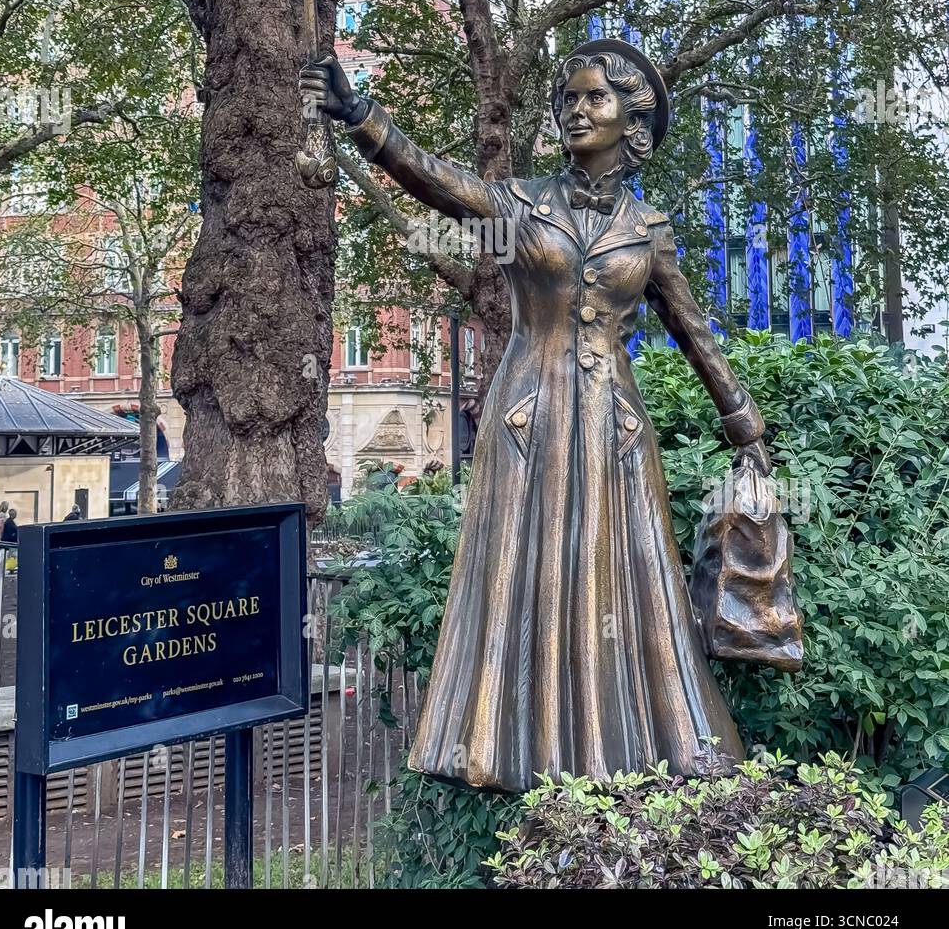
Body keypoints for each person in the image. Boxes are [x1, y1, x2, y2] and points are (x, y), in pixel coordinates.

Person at [302, 39, 772, 793]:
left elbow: (692, 330)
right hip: (530, 418)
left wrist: (743, 427)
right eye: (567, 100)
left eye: (595, 99)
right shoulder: (519, 204)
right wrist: (360, 114)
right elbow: (436, 181)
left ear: (632, 121)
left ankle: (642, 750)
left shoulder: (649, 228)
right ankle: (520, 746)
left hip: (616, 430)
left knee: (628, 583)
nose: (576, 111)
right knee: (529, 576)